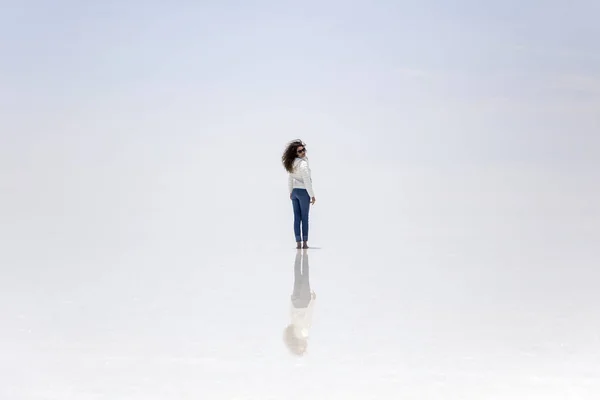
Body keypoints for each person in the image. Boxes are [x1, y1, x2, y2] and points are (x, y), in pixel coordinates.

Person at [282, 140, 316, 249]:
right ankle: (304, 243)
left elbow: (290, 179)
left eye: (303, 150)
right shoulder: (303, 163)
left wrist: (291, 192)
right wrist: (312, 195)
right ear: (296, 153)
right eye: (300, 151)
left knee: (297, 217)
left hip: (295, 192)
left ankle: (298, 243)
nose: (303, 152)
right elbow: (306, 180)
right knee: (304, 217)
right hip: (303, 192)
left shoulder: (292, 164)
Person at [283, 249, 316, 356]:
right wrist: (292, 302)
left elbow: (307, 316)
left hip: (301, 302)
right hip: (297, 302)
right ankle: (301, 255)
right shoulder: (292, 335)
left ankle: (302, 255)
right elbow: (296, 316)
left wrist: (312, 301)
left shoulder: (303, 333)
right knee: (299, 276)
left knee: (303, 276)